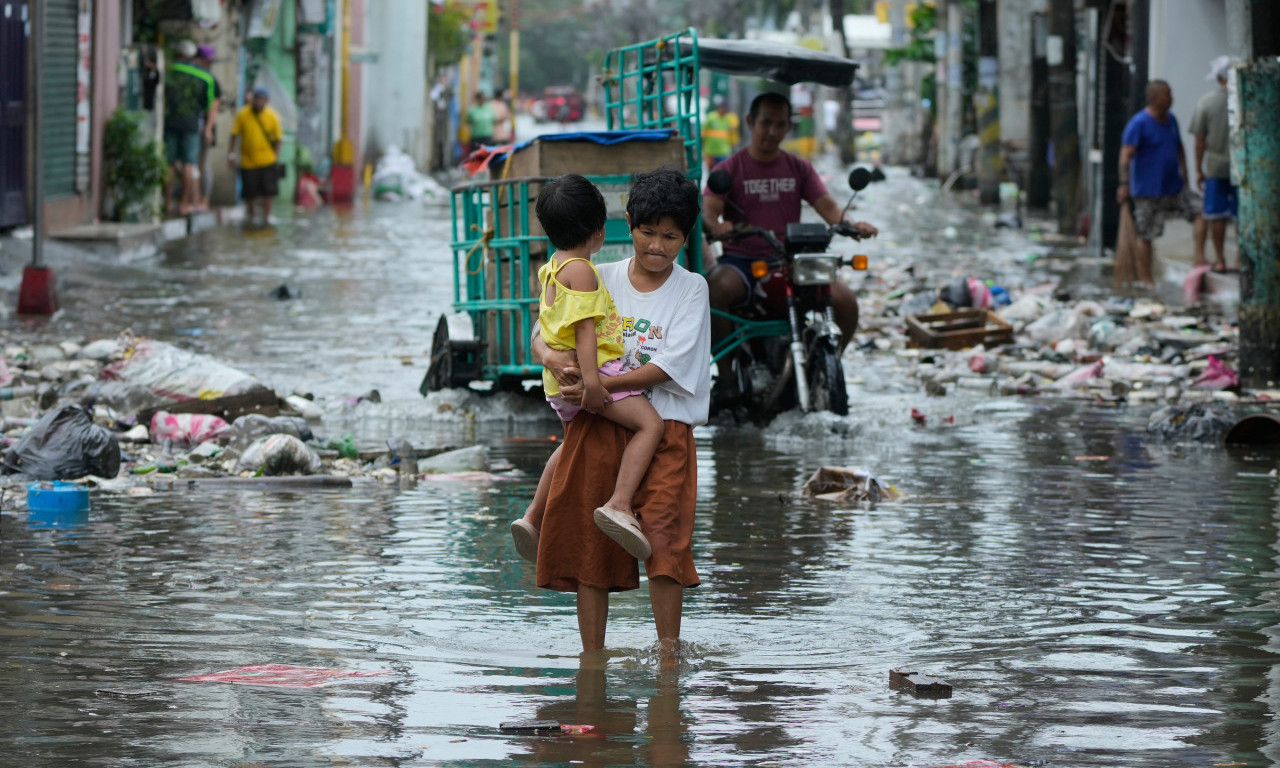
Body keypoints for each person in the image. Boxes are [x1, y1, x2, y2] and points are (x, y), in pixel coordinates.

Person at [530, 167, 709, 665]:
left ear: (685, 237)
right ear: (627, 225)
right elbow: (542, 330)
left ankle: (668, 655)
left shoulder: (692, 289)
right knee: (593, 545)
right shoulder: (595, 273)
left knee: (665, 541)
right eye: (648, 233)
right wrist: (551, 359)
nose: (657, 246)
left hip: (666, 425)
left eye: (670, 237)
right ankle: (593, 658)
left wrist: (597, 384)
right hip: (600, 422)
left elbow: (666, 366)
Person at [509, 174, 665, 563]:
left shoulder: (550, 268)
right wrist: (596, 388)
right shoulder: (582, 270)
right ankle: (619, 503)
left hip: (556, 385)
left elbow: (546, 325)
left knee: (569, 446)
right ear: (598, 231)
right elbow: (585, 333)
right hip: (591, 377)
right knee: (651, 426)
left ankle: (532, 517)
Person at [701, 92, 877, 389]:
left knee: (846, 301)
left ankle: (825, 369)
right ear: (750, 122)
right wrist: (716, 226)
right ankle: (728, 375)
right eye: (765, 123)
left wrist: (852, 226)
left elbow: (830, 209)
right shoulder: (729, 169)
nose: (772, 131)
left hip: (790, 260)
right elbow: (709, 209)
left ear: (788, 127)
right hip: (743, 261)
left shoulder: (800, 168)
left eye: (780, 124)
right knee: (714, 288)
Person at [1117, 80, 1198, 287]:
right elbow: (1126, 155)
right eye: (1167, 94)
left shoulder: (1171, 120)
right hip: (1147, 191)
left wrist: (1186, 176)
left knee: (1201, 212)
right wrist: (1124, 184)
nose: (1171, 99)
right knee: (1145, 235)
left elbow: (1179, 148)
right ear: (1155, 98)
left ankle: (1199, 257)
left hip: (1173, 187)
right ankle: (1147, 280)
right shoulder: (1139, 124)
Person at [1189, 56, 1237, 272]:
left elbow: (1199, 141)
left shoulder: (1206, 103)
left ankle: (1219, 260)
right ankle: (1241, 259)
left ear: (1219, 78)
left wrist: (1198, 169)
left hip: (1216, 167)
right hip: (1243, 168)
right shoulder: (1246, 99)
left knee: (1217, 215)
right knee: (1241, 215)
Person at [164, 40, 218, 216]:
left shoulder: (170, 69)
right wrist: (208, 128)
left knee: (169, 163)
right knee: (189, 164)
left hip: (170, 120)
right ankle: (183, 204)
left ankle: (166, 203)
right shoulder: (206, 77)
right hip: (191, 124)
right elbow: (211, 105)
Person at [228, 86, 284, 226]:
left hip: (267, 160)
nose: (259, 102)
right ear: (252, 100)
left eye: (262, 100)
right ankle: (251, 216)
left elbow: (278, 139)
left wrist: (275, 158)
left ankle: (267, 216)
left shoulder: (272, 116)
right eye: (256, 99)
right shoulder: (243, 115)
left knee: (268, 192)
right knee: (249, 192)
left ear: (266, 101)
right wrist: (232, 155)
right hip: (248, 161)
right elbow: (234, 135)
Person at [192, 44, 223, 211]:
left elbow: (214, 106)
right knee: (192, 164)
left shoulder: (210, 80)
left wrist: (208, 129)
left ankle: (204, 200)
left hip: (204, 127)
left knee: (203, 165)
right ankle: (195, 199)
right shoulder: (193, 76)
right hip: (191, 125)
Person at [701, 96, 740, 170]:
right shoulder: (711, 117)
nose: (725, 110)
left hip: (724, 151)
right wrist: (703, 151)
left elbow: (734, 130)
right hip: (711, 151)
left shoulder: (728, 118)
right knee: (711, 171)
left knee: (723, 170)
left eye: (726, 108)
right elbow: (703, 134)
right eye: (724, 107)